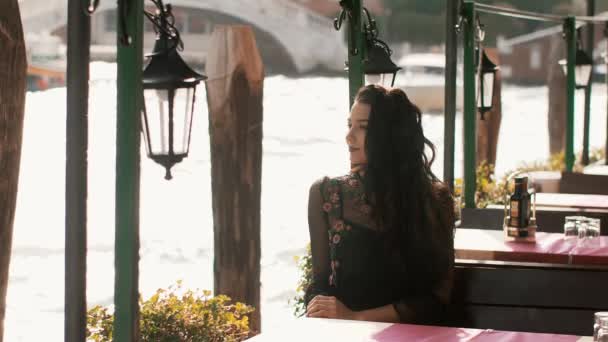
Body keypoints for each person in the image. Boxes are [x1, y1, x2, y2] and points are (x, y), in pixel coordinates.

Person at [305, 85, 455, 324]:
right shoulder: (327, 195)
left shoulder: (434, 202)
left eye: (362, 127)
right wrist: (329, 311)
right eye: (349, 124)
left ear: (389, 135)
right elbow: (319, 286)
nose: (349, 136)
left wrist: (358, 317)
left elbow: (437, 298)